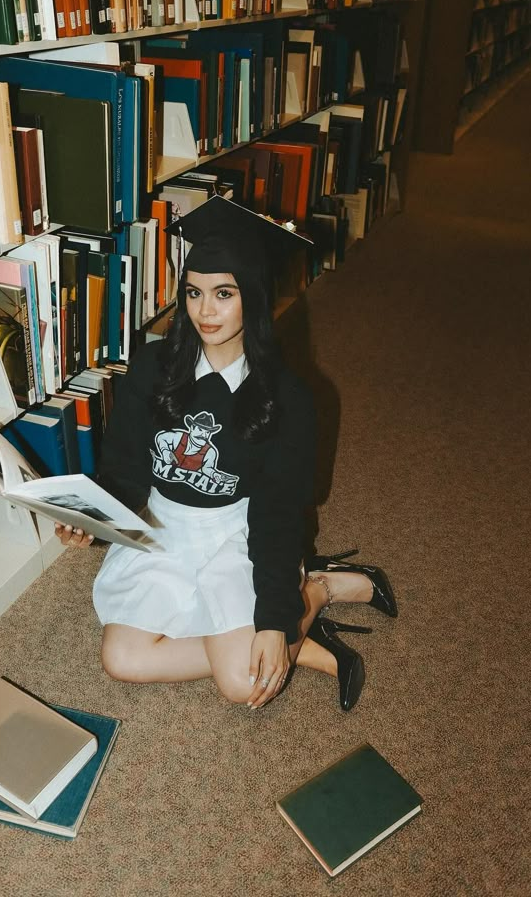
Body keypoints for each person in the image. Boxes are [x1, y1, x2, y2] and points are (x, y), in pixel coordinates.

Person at [56, 197, 396, 711]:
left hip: (236, 532)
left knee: (242, 686)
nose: (204, 311)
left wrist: (277, 619)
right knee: (121, 659)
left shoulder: (289, 398)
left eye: (223, 294)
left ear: (253, 298)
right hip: (163, 528)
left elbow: (278, 515)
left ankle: (317, 590)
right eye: (193, 293)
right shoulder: (151, 367)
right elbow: (124, 469)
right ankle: (300, 642)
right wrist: (92, 516)